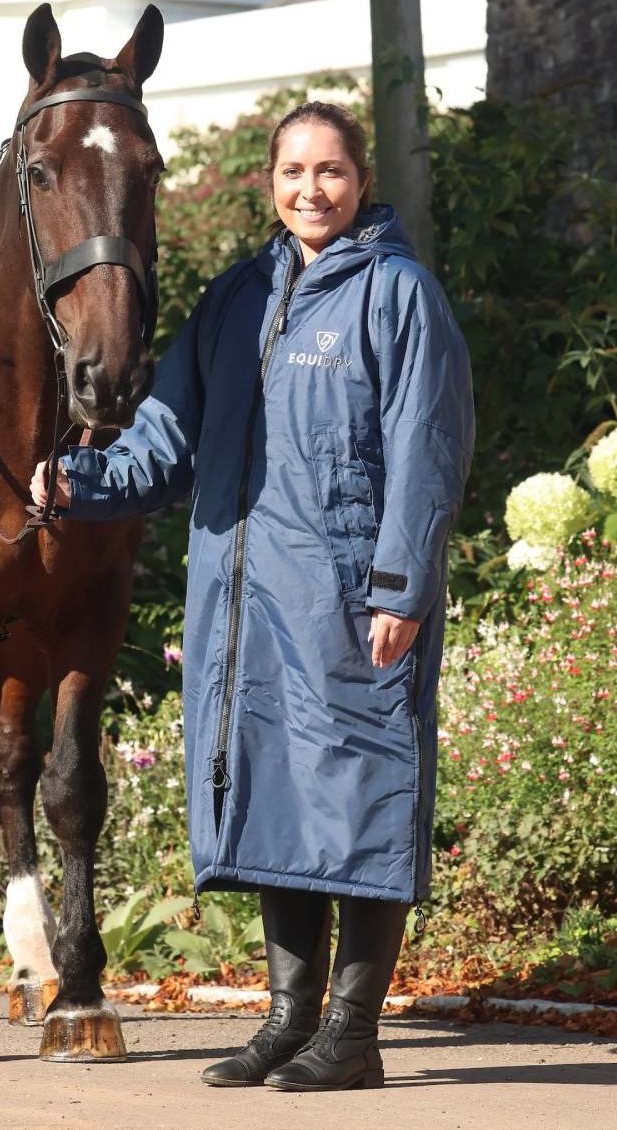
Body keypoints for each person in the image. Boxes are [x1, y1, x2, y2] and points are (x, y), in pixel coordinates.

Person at [30, 102, 475, 1093]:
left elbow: (426, 449)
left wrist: (399, 584)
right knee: (274, 793)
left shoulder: (399, 295)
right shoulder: (237, 300)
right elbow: (164, 439)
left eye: (329, 171)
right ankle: (288, 1020)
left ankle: (352, 1032)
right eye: (291, 172)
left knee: (358, 797)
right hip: (244, 600)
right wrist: (78, 479)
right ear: (267, 184)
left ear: (360, 180)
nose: (310, 189)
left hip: (351, 598)